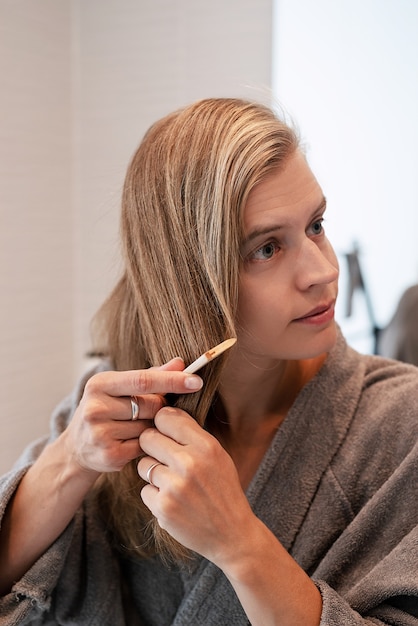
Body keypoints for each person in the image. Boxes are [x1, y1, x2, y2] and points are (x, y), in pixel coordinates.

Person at [0, 98, 417, 626]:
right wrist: (69, 460)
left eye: (316, 225)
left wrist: (241, 545)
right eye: (267, 248)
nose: (324, 270)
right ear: (191, 278)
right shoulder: (114, 408)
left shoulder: (405, 426)